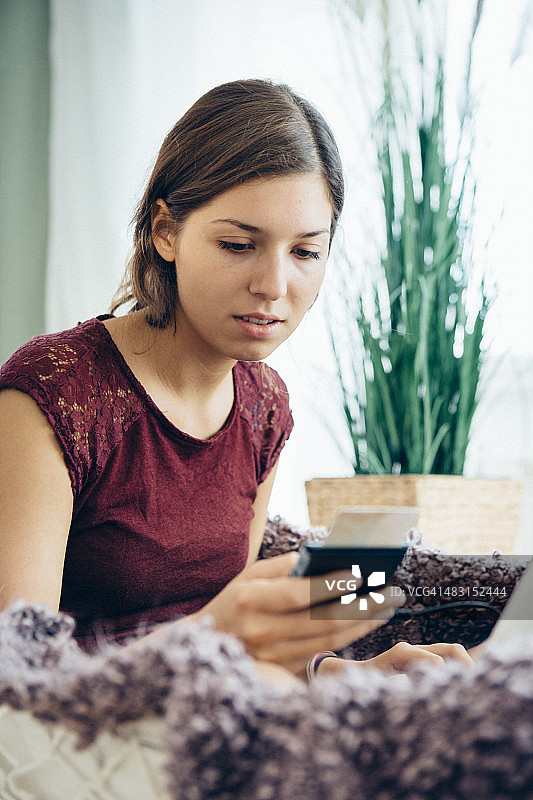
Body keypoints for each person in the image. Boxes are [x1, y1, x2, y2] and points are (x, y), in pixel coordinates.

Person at [0, 79, 471, 684]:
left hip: (216, 720)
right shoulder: (54, 393)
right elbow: (19, 676)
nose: (274, 286)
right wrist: (211, 635)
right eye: (238, 244)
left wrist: (337, 672)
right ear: (165, 231)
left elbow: (244, 650)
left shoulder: (264, 405)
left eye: (306, 252)